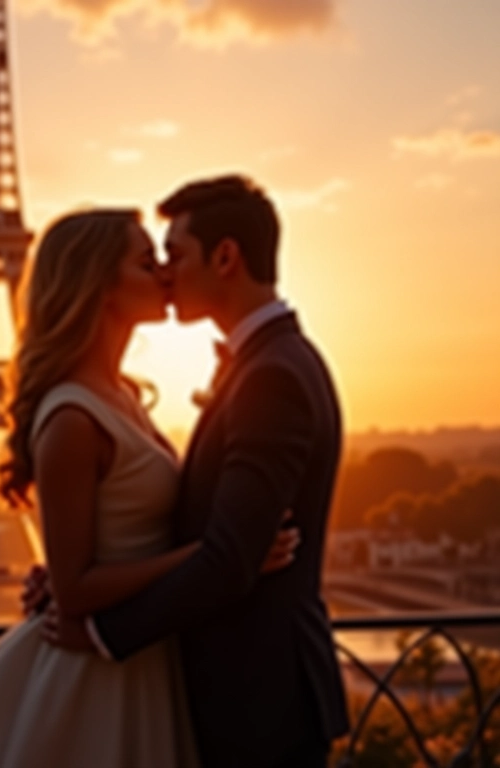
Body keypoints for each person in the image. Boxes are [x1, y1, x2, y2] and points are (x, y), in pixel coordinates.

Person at [0, 207, 298, 768]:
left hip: (138, 655)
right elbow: (76, 589)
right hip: (96, 673)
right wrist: (213, 557)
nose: (163, 270)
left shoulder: (122, 396)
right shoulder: (72, 419)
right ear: (99, 287)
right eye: (144, 262)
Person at [40, 176, 350, 767]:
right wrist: (77, 567)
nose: (165, 272)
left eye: (175, 255)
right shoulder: (269, 364)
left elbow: (230, 559)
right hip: (251, 696)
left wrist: (101, 631)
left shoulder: (270, 377)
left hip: (256, 700)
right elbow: (217, 540)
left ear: (226, 257)